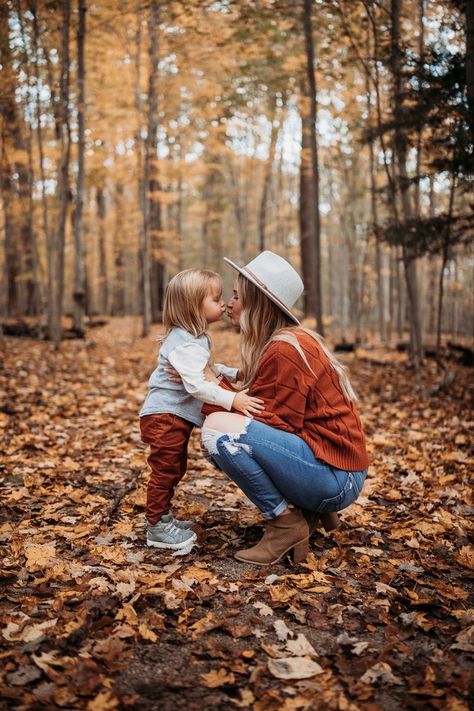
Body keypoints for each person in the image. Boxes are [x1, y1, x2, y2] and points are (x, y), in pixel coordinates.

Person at [200, 251, 369, 566]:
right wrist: (218, 383)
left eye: (237, 296)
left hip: (337, 477)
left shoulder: (285, 349)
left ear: (258, 303)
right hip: (336, 466)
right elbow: (270, 413)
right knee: (221, 430)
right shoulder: (284, 342)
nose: (229, 304)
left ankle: (285, 524)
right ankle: (313, 510)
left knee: (217, 433)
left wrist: (210, 383)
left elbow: (268, 422)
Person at [139, 268, 264, 551]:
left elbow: (205, 369)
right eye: (216, 299)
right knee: (166, 470)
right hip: (164, 417)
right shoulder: (185, 343)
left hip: (173, 416)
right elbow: (196, 385)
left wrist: (232, 373)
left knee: (174, 468)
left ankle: (163, 516)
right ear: (193, 307)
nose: (223, 304)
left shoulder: (191, 338)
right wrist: (233, 400)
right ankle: (156, 526)